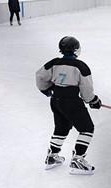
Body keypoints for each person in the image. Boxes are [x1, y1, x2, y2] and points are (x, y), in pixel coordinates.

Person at [35, 36, 101, 175]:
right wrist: (93, 100)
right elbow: (86, 89)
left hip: (56, 100)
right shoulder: (80, 66)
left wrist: (46, 89)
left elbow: (40, 76)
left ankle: (52, 157)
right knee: (87, 128)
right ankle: (78, 159)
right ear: (76, 49)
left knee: (61, 128)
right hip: (71, 101)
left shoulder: (54, 62)